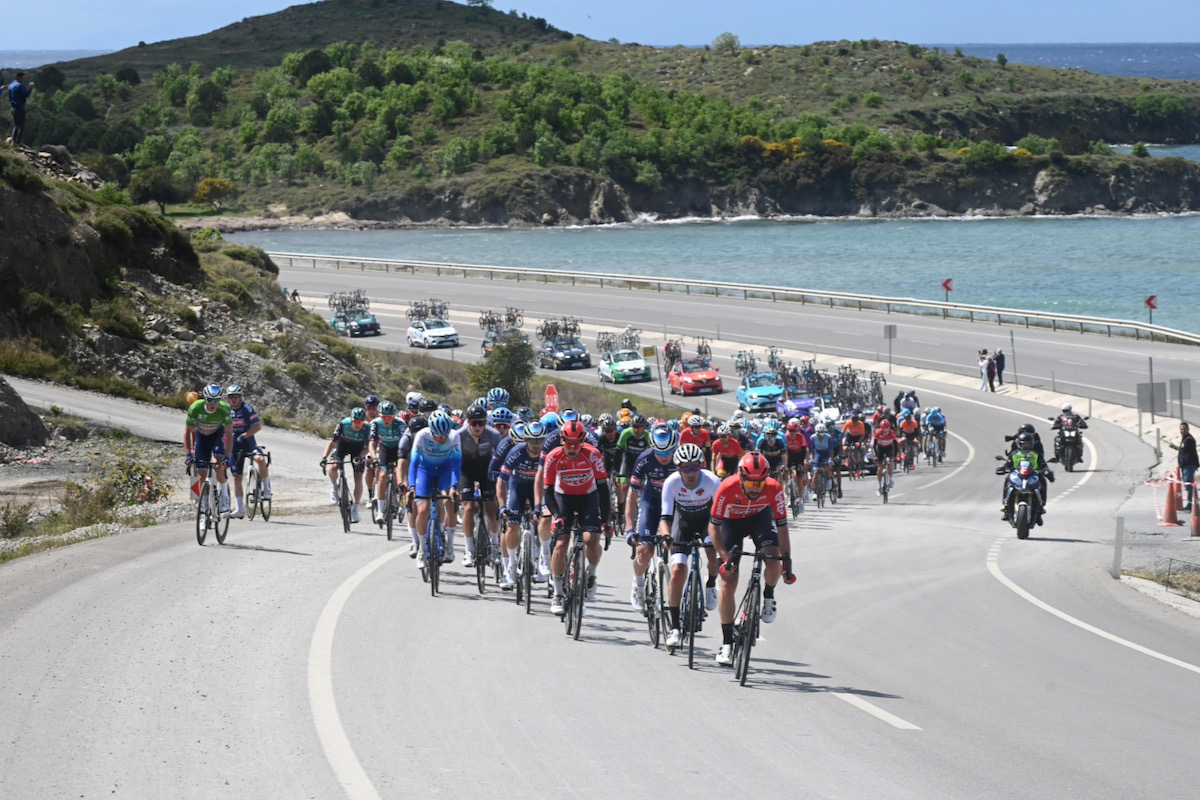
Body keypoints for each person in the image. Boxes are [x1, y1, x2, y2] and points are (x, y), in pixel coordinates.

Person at [709, 452, 792, 667]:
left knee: (773, 560)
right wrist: (725, 558)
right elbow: (713, 527)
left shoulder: (774, 488)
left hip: (759, 520)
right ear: (741, 478)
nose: (756, 487)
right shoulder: (726, 487)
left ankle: (768, 595)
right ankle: (727, 643)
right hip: (731, 524)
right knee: (728, 580)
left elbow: (782, 527)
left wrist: (787, 560)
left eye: (760, 482)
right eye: (752, 482)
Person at [184, 383, 234, 514]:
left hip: (217, 435)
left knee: (218, 463)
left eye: (216, 400)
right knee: (201, 475)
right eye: (210, 400)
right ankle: (203, 505)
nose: (213, 404)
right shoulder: (195, 408)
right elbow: (187, 433)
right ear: (205, 399)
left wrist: (227, 457)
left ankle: (224, 496)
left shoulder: (224, 409)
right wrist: (188, 454)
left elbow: (229, 435)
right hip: (202, 437)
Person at [226, 384, 271, 519]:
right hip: (234, 444)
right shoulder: (226, 410)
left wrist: (244, 435)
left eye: (236, 397)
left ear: (241, 397)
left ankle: (266, 490)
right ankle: (239, 509)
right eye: (231, 397)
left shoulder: (247, 409)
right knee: (236, 477)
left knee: (260, 459)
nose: (233, 400)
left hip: (248, 441)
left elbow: (257, 427)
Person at [321, 407, 371, 523]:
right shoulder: (343, 424)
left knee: (358, 477)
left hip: (358, 449)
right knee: (333, 467)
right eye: (356, 422)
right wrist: (324, 457)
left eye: (361, 422)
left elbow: (369, 447)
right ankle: (334, 487)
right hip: (343, 445)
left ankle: (356, 509)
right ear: (352, 420)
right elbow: (332, 442)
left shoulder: (367, 428)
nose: (358, 425)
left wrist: (360, 457)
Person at [7, 72, 34, 147]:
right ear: (18, 77)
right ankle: (17, 142)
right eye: (22, 78)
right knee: (21, 126)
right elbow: (26, 94)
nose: (23, 79)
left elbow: (9, 96)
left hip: (13, 107)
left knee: (16, 125)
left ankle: (13, 140)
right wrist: (30, 88)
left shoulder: (11, 85)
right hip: (19, 108)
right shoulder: (19, 86)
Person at [1179, 422, 1198, 512]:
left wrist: (1194, 464)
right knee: (1187, 484)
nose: (1183, 431)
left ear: (1188, 429)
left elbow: (1192, 453)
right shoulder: (1184, 439)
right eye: (1181, 429)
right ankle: (1189, 503)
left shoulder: (1189, 439)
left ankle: (1190, 504)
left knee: (1188, 484)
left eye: (1184, 429)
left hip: (1189, 465)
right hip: (1185, 465)